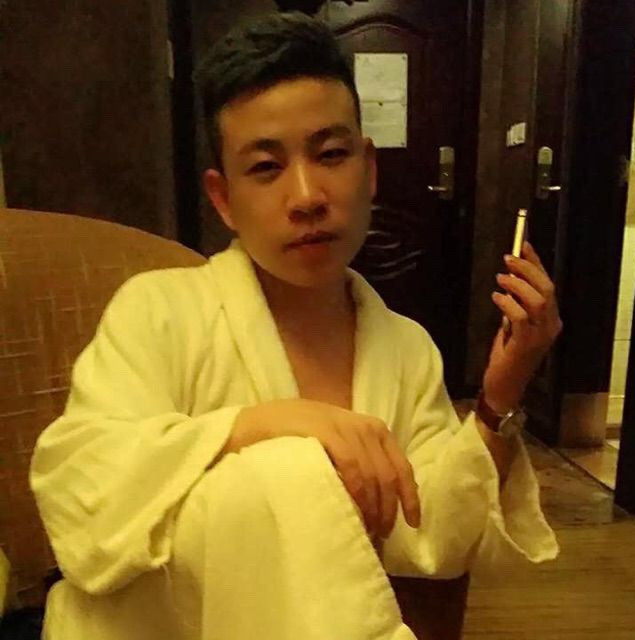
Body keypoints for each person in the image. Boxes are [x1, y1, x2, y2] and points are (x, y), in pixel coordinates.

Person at [30, 11, 562, 640]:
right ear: (223, 198)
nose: (307, 195)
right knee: (286, 466)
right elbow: (81, 488)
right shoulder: (158, 311)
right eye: (265, 167)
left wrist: (500, 395)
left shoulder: (405, 348)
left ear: (369, 168)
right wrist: (262, 426)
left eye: (330, 154)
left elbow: (434, 540)